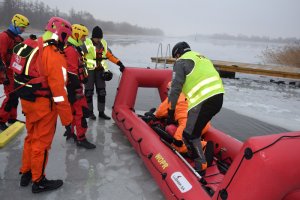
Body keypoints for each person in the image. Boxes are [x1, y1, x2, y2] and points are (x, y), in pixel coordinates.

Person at [11, 17, 73, 193]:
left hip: (28, 101)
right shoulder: (54, 55)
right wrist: (67, 122)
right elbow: (60, 93)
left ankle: (26, 172)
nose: (66, 41)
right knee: (42, 143)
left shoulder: (34, 44)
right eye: (66, 37)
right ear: (61, 35)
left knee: (30, 137)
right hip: (44, 106)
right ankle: (38, 181)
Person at [167, 41, 224, 172]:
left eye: (176, 57)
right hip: (218, 98)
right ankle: (196, 153)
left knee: (190, 134)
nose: (176, 59)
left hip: (202, 101)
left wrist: (171, 112)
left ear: (177, 53)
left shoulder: (181, 62)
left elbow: (175, 89)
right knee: (192, 132)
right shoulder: (202, 58)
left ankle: (200, 165)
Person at [64, 24, 96, 149]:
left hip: (71, 86)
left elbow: (77, 67)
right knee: (80, 112)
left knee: (73, 111)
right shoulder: (71, 50)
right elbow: (72, 72)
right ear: (76, 35)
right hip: (74, 87)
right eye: (83, 36)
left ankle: (71, 133)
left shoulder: (71, 48)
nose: (84, 39)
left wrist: (84, 76)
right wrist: (78, 88)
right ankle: (81, 138)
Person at [155, 82, 211, 153]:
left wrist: (154, 116)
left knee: (177, 145)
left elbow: (160, 113)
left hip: (188, 124)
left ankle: (203, 145)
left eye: (168, 90)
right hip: (205, 124)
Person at [84, 26, 125, 120]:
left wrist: (120, 64)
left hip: (100, 71)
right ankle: (90, 112)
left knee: (102, 92)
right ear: (93, 37)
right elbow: (79, 56)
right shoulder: (86, 44)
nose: (98, 40)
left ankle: (101, 112)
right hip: (89, 72)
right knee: (88, 93)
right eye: (97, 38)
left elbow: (110, 56)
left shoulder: (103, 44)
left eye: (100, 38)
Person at [0, 14, 29, 131]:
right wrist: (3, 75)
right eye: (22, 27)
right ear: (15, 24)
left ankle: (12, 118)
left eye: (24, 27)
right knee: (11, 96)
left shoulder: (18, 38)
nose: (23, 29)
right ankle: (1, 119)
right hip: (6, 72)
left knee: (15, 96)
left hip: (15, 72)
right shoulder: (4, 37)